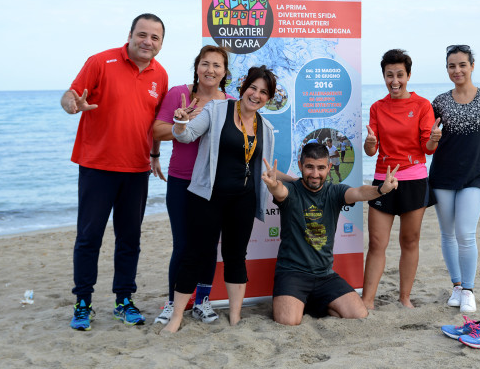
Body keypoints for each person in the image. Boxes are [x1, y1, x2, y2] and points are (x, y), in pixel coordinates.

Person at [61, 13, 168, 331]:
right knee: (88, 238)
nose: (147, 42)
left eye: (155, 38)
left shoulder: (159, 75)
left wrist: (155, 154)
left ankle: (124, 300)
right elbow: (69, 96)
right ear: (131, 35)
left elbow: (154, 123)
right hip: (97, 167)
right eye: (142, 34)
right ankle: (83, 303)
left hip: (136, 169)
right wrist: (73, 105)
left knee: (130, 239)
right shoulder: (99, 62)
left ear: (161, 44)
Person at [162, 66, 288, 332]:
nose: (256, 95)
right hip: (208, 197)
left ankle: (235, 316)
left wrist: (294, 180)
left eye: (264, 92)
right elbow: (186, 135)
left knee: (235, 256)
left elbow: (263, 168)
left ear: (268, 98)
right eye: (253, 88)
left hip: (242, 200)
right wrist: (181, 121)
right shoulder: (217, 110)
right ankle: (175, 318)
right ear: (244, 87)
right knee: (193, 254)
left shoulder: (265, 127)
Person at [261, 143, 400, 325]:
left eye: (320, 168)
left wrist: (381, 190)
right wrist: (273, 185)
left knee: (359, 314)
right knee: (288, 322)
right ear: (301, 165)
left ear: (328, 167)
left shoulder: (335, 191)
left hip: (324, 275)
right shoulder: (292, 190)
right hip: (292, 274)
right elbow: (280, 191)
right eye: (309, 167)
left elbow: (358, 192)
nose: (315, 174)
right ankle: (301, 304)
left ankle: (311, 304)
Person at [152, 45, 236, 325]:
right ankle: (173, 302)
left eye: (217, 65)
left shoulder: (230, 102)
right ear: (197, 66)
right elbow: (157, 130)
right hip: (181, 180)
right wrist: (180, 122)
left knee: (209, 245)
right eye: (205, 64)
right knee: (184, 244)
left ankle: (202, 301)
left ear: (225, 73)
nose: (210, 70)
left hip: (215, 183)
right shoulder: (179, 94)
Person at [361, 49, 441, 310]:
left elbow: (427, 149)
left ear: (408, 75)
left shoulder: (422, 105)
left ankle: (404, 298)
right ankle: (368, 300)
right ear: (384, 76)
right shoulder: (377, 107)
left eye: (399, 75)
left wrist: (433, 140)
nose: (394, 81)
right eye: (389, 75)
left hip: (414, 179)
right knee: (376, 243)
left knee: (409, 241)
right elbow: (371, 151)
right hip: (383, 180)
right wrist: (370, 143)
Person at [429, 44, 480, 313]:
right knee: (447, 234)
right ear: (447, 69)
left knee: (465, 233)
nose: (457, 70)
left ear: (472, 66)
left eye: (462, 65)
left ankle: (469, 290)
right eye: (451, 66)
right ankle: (457, 286)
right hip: (442, 177)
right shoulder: (438, 102)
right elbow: (429, 145)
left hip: (474, 177)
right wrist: (430, 140)